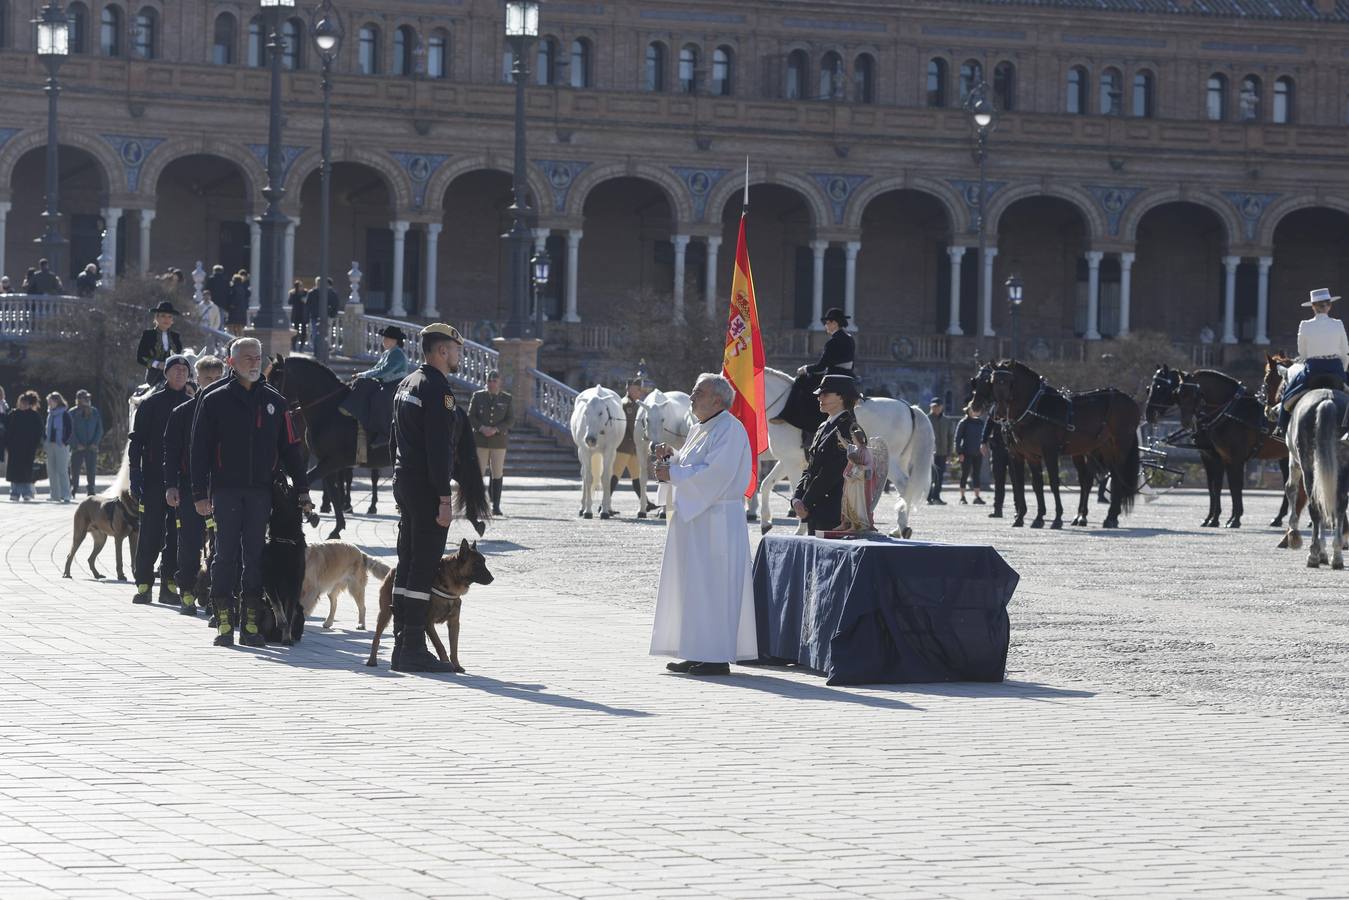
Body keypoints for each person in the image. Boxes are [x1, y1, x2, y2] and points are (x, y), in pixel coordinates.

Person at [191, 338, 307, 647]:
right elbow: (199, 449)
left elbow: (291, 450)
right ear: (231, 362)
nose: (254, 362)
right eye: (247, 358)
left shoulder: (275, 401)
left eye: (257, 357)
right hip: (226, 490)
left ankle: (251, 625)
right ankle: (225, 622)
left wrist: (303, 491)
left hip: (261, 491)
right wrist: (199, 493)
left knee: (255, 556)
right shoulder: (213, 399)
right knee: (225, 554)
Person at [650, 373, 757, 676]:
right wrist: (670, 460)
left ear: (718, 400)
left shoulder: (731, 430)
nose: (692, 396)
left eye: (699, 392)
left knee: (713, 586)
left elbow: (716, 474)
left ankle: (714, 656)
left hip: (717, 520)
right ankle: (695, 650)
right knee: (692, 586)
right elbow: (689, 465)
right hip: (695, 518)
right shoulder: (701, 428)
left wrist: (674, 475)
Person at [387, 323, 468, 673]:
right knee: (422, 568)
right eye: (456, 349)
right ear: (442, 351)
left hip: (405, 480)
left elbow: (393, 440)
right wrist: (444, 498)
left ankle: (400, 642)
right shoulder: (438, 390)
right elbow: (439, 450)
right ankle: (414, 648)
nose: (459, 355)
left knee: (406, 564)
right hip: (424, 486)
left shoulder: (407, 383)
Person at [164, 355, 225, 617]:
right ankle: (186, 589)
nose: (212, 383)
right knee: (189, 543)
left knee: (221, 546)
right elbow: (171, 453)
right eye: (207, 378)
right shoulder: (182, 413)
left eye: (216, 378)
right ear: (196, 379)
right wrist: (170, 485)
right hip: (190, 487)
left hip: (223, 488)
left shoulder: (229, 410)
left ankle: (215, 593)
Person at [130, 356, 192, 606]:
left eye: (184, 370)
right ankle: (143, 584)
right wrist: (136, 474)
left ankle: (169, 584)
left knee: (177, 536)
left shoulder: (192, 405)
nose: (180, 373)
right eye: (175, 369)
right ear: (166, 373)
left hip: (181, 481)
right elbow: (137, 442)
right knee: (150, 534)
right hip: (154, 479)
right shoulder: (150, 404)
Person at [791, 373, 860, 535]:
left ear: (842, 397)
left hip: (833, 512)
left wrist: (806, 503)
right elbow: (810, 467)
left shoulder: (848, 429)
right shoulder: (824, 426)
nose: (819, 397)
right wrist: (796, 498)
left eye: (825, 393)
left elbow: (831, 473)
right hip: (816, 509)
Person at [774, 307, 856, 442]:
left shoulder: (832, 342)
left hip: (832, 378)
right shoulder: (850, 339)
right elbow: (850, 364)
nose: (826, 326)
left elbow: (821, 366)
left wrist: (805, 369)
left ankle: (790, 417)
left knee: (802, 381)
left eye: (828, 323)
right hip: (848, 377)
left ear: (835, 323)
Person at [1277, 287, 1349, 434]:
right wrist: (1343, 369)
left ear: (1313, 307)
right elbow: (1345, 351)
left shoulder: (1305, 325)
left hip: (1313, 369)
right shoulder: (1338, 324)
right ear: (1329, 306)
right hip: (1336, 368)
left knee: (1287, 396)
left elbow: (1302, 353)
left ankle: (1281, 428)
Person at [340, 325, 411, 449]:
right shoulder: (386, 353)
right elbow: (376, 368)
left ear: (395, 341)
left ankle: (385, 433)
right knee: (362, 384)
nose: (384, 341)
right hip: (385, 382)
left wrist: (363, 374)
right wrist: (362, 376)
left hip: (396, 385)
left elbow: (384, 371)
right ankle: (351, 410)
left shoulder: (397, 354)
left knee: (380, 398)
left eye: (387, 339)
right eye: (384, 338)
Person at [469, 369, 514, 517]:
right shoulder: (478, 396)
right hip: (481, 440)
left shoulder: (507, 399)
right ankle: (476, 505)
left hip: (498, 441)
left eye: (495, 381)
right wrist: (482, 427)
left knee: (497, 473)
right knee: (478, 473)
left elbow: (510, 420)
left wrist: (496, 429)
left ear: (500, 383)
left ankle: (496, 506)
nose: (491, 384)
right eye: (489, 381)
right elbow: (471, 416)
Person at [609, 377, 653, 518]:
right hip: (625, 445)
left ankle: (645, 502)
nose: (639, 392)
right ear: (628, 389)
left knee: (637, 478)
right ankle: (604, 504)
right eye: (637, 389)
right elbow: (630, 426)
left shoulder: (637, 404)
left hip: (633, 447)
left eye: (640, 389)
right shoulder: (626, 404)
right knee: (614, 476)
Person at [6, 391, 44, 501]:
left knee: (26, 470)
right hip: (14, 448)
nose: (23, 405)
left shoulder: (34, 416)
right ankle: (14, 493)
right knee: (14, 471)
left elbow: (39, 431)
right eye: (21, 402)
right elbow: (8, 431)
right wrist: (8, 445)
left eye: (25, 403)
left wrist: (35, 445)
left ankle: (27, 493)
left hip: (28, 448)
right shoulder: (13, 414)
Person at [136, 301, 184, 386]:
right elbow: (140, 357)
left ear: (172, 320)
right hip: (154, 377)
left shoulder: (176, 337)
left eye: (169, 317)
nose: (166, 319)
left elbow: (179, 356)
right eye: (163, 316)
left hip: (174, 377)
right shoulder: (148, 335)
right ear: (156, 318)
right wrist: (157, 364)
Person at [69, 390, 104, 496]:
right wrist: (76, 444)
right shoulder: (72, 412)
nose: (87, 400)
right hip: (78, 447)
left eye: (88, 398)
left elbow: (99, 429)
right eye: (85, 398)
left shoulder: (94, 411)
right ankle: (74, 488)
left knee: (91, 470)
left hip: (91, 447)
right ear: (79, 399)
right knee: (75, 470)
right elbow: (70, 431)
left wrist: (95, 443)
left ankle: (91, 489)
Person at [43, 392, 74, 503]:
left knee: (62, 471)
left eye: (50, 401)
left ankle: (66, 495)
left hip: (61, 446)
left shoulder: (65, 414)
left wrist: (64, 441)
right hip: (50, 445)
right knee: (51, 471)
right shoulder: (50, 414)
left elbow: (70, 430)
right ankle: (55, 495)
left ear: (57, 401)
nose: (49, 403)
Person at [954, 403, 986, 506]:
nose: (975, 412)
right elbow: (957, 439)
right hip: (966, 453)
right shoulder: (963, 422)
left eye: (976, 410)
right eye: (972, 410)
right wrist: (959, 453)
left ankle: (977, 497)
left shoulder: (981, 423)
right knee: (965, 474)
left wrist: (984, 447)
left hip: (978, 453)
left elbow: (984, 438)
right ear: (968, 410)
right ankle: (962, 497)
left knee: (976, 475)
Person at [926, 397, 953, 505]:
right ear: (931, 407)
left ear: (941, 407)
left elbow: (950, 437)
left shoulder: (947, 421)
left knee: (940, 476)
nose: (936, 408)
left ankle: (936, 496)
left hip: (942, 453)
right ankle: (928, 497)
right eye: (934, 406)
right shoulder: (926, 419)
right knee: (930, 476)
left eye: (938, 406)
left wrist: (949, 454)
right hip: (929, 453)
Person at [981, 415, 1009, 519]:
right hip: (998, 447)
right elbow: (988, 425)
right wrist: (983, 441)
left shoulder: (1015, 405)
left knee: (1016, 480)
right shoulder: (995, 408)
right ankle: (998, 510)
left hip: (1013, 448)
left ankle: (1019, 509)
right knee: (998, 480)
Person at [225, 270, 251, 336]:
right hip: (242, 310)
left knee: (232, 327)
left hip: (234, 311)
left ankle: (233, 340)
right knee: (240, 328)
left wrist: (231, 305)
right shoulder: (243, 288)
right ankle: (241, 340)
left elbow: (235, 298)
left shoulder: (234, 288)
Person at [288, 279, 308, 350]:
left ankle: (301, 347)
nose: (300, 287)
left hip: (303, 314)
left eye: (301, 286)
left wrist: (305, 300)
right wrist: (294, 296)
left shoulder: (305, 292)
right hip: (296, 314)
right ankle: (294, 346)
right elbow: (289, 302)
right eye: (298, 286)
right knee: (295, 331)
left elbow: (308, 302)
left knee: (304, 331)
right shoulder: (293, 293)